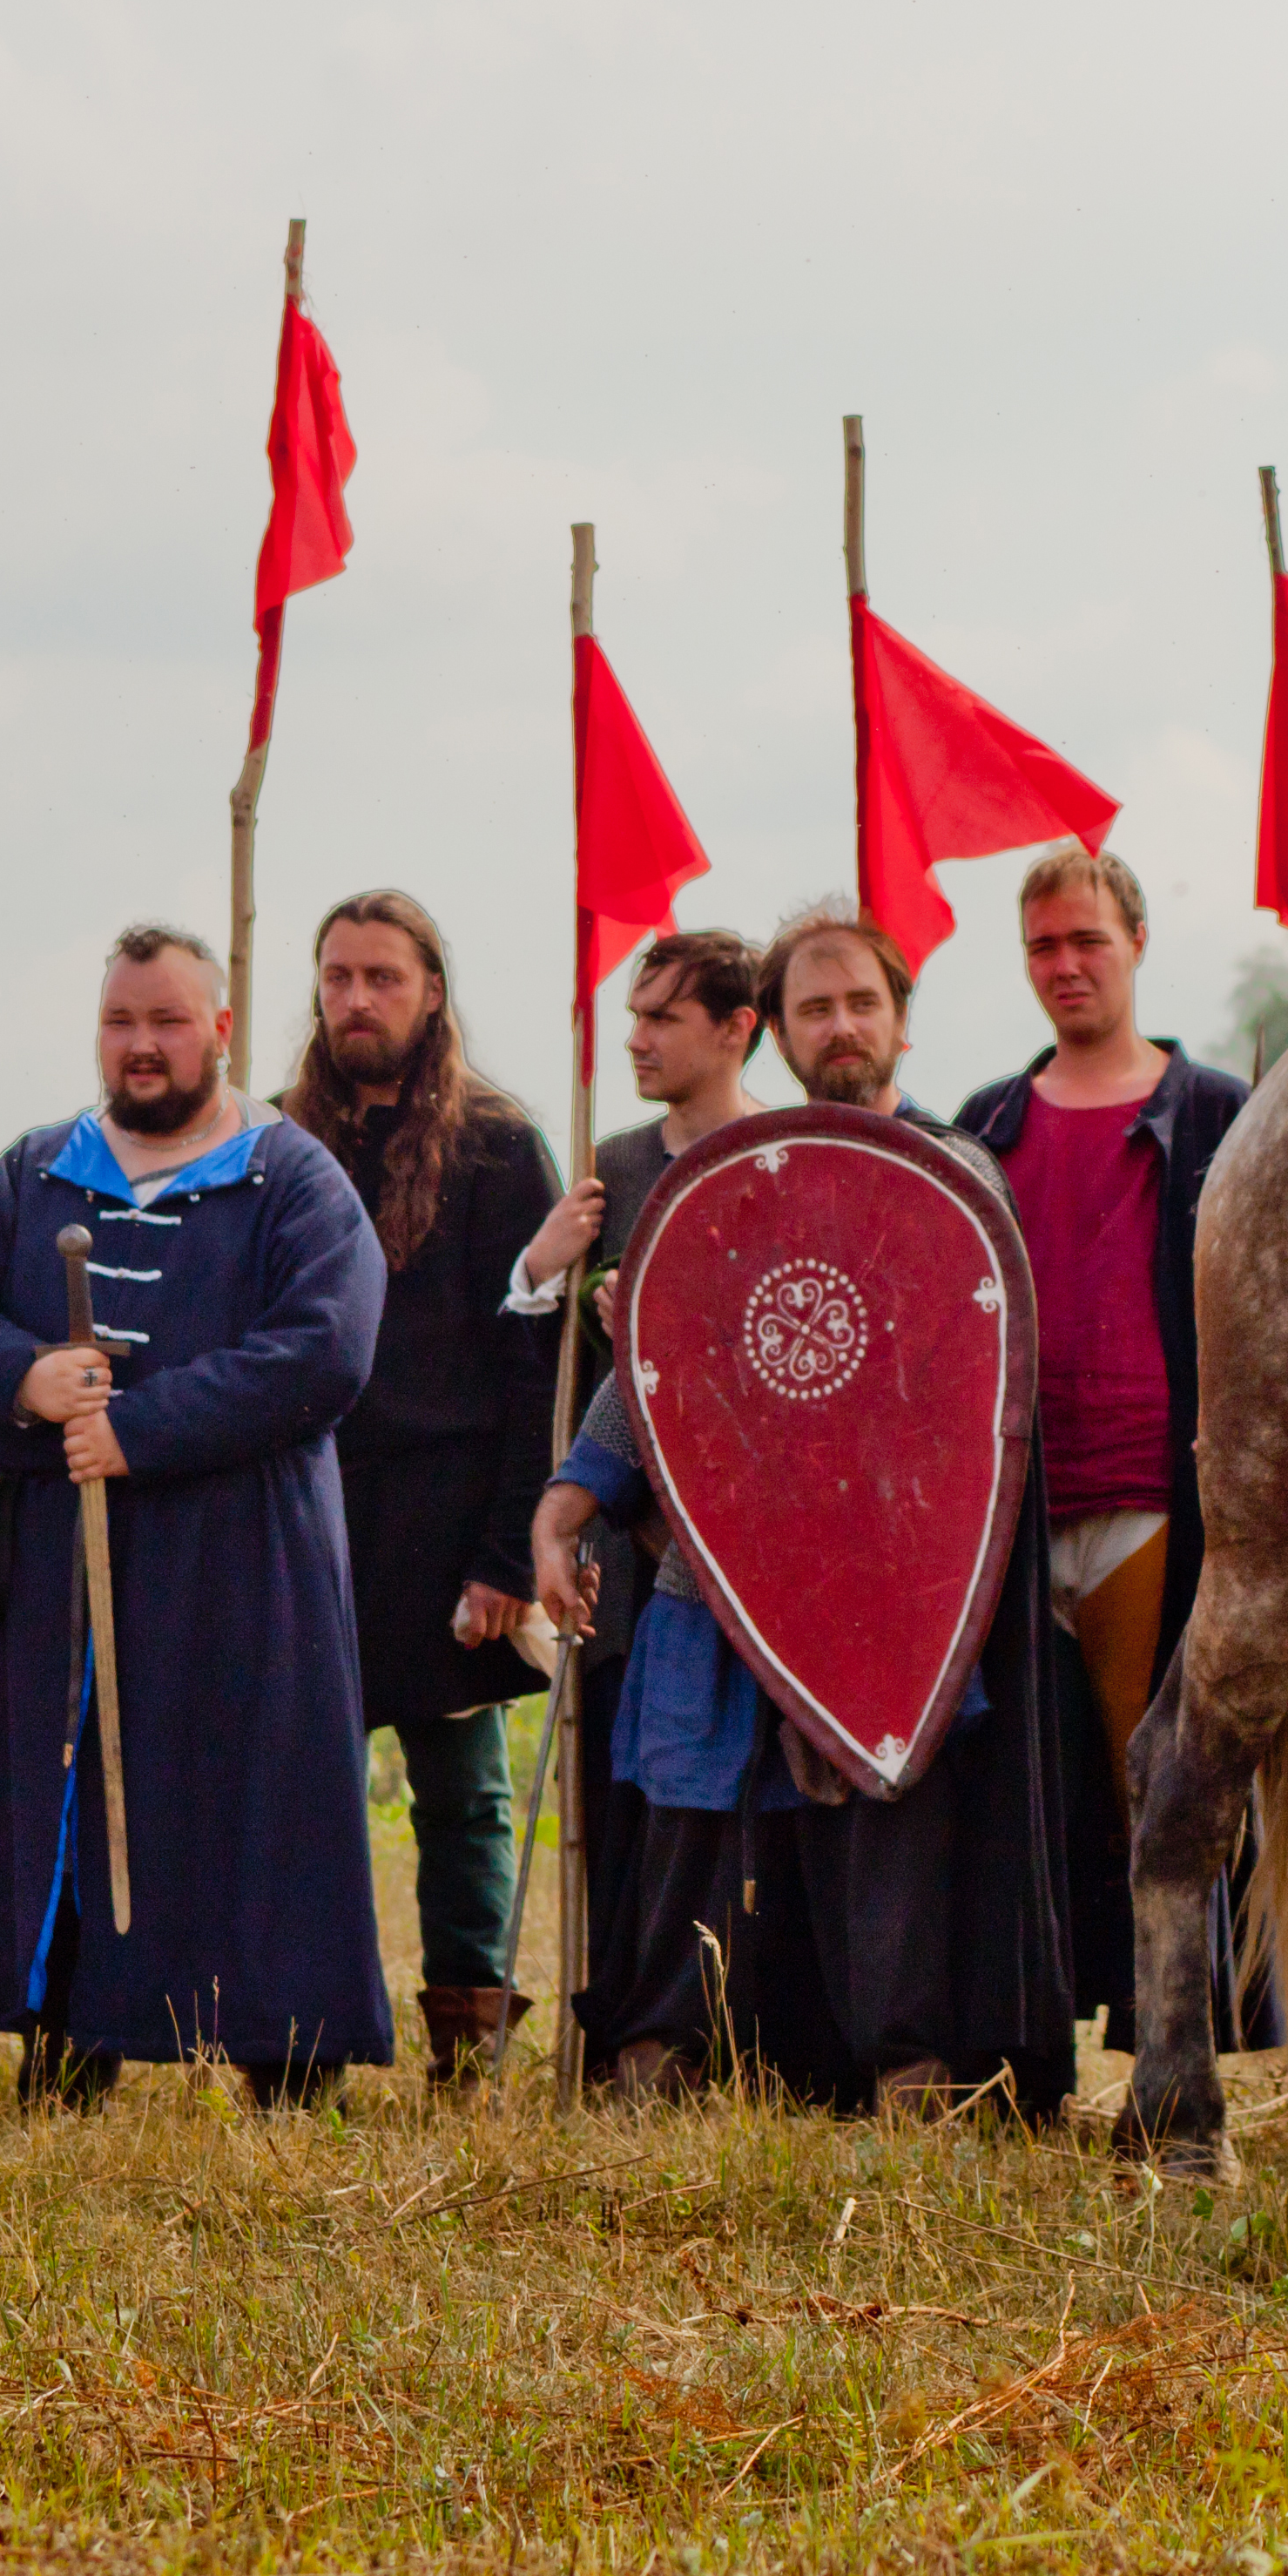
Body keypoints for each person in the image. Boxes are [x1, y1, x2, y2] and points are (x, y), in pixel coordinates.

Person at [535, 900, 1086, 2116]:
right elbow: (663, 1374)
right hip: (720, 1559)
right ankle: (661, 2054)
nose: (840, 1027)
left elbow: (974, 1389)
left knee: (882, 1816)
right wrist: (568, 1503)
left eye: (861, 1003)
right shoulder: (730, 1182)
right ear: (773, 1032)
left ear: (900, 1020)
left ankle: (907, 2068)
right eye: (814, 1007)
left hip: (896, 1574)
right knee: (686, 1799)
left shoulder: (959, 1176)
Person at [0, 925, 392, 2106]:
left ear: (221, 1030)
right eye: (121, 1022)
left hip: (245, 1559)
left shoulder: (291, 1178)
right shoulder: (40, 1170)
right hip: (61, 1561)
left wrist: (145, 1426)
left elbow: (325, 1351)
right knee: (72, 1788)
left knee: (256, 1797)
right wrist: (28, 1375)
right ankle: (71, 2036)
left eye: (168, 1021)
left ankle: (286, 2061)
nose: (142, 1047)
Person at [953, 850, 1273, 2051]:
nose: (1067, 965)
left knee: (1164, 1779)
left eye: (1087, 939)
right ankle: (1030, 2042)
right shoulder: (986, 1121)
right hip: (1018, 1507)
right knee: (1031, 1792)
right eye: (1044, 945)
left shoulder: (1215, 1113)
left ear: (1137, 941)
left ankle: (1172, 2047)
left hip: (1156, 1490)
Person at [280, 893, 561, 2087]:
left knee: (464, 1798)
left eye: (383, 977)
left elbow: (534, 1363)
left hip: (450, 1519)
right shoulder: (276, 1144)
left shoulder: (499, 1146)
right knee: (304, 1795)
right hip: (309, 1515)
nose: (357, 999)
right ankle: (301, 2034)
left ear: (432, 991)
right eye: (338, 977)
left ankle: (471, 2045)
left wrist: (507, 1555)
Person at [496, 930, 763, 2096]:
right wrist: (545, 1277)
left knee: (737, 1814)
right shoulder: (609, 1170)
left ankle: (735, 2038)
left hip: (748, 1558)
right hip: (619, 1547)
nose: (639, 1039)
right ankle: (624, 2046)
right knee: (628, 1807)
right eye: (633, 1016)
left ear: (736, 1028)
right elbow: (548, 1379)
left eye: (663, 1017)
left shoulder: (783, 1156)